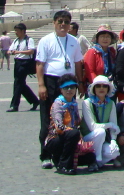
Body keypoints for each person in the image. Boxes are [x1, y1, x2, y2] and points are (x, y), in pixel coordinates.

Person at [36, 10, 85, 170]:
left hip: (69, 83)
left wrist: (80, 83)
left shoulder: (73, 41)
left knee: (68, 119)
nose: (63, 24)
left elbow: (78, 63)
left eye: (66, 21)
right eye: (60, 21)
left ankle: (63, 154)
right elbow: (40, 64)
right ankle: (45, 155)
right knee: (47, 119)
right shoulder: (46, 40)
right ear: (54, 23)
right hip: (51, 81)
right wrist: (41, 85)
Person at [43, 73, 95, 175]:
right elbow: (59, 126)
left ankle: (62, 160)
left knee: (91, 156)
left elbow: (77, 123)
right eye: (66, 87)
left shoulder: (74, 103)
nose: (69, 90)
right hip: (55, 139)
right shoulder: (58, 104)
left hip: (70, 139)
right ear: (61, 90)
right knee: (74, 134)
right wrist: (73, 131)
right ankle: (64, 166)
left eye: (72, 87)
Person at [81, 75, 121, 170]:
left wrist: (113, 140)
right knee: (100, 131)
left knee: (114, 152)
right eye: (98, 86)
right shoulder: (87, 103)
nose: (101, 88)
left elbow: (114, 124)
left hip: (102, 139)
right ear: (94, 88)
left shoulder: (111, 103)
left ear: (108, 88)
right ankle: (97, 160)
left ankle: (97, 163)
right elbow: (92, 127)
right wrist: (110, 125)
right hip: (88, 137)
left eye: (104, 86)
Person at [7, 23, 39, 112]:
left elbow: (31, 51)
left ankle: (14, 105)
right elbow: (10, 49)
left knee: (17, 83)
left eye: (17, 30)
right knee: (20, 84)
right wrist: (10, 52)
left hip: (25, 63)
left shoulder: (29, 40)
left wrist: (19, 52)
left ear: (22, 31)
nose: (15, 32)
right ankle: (35, 101)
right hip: (17, 62)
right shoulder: (16, 40)